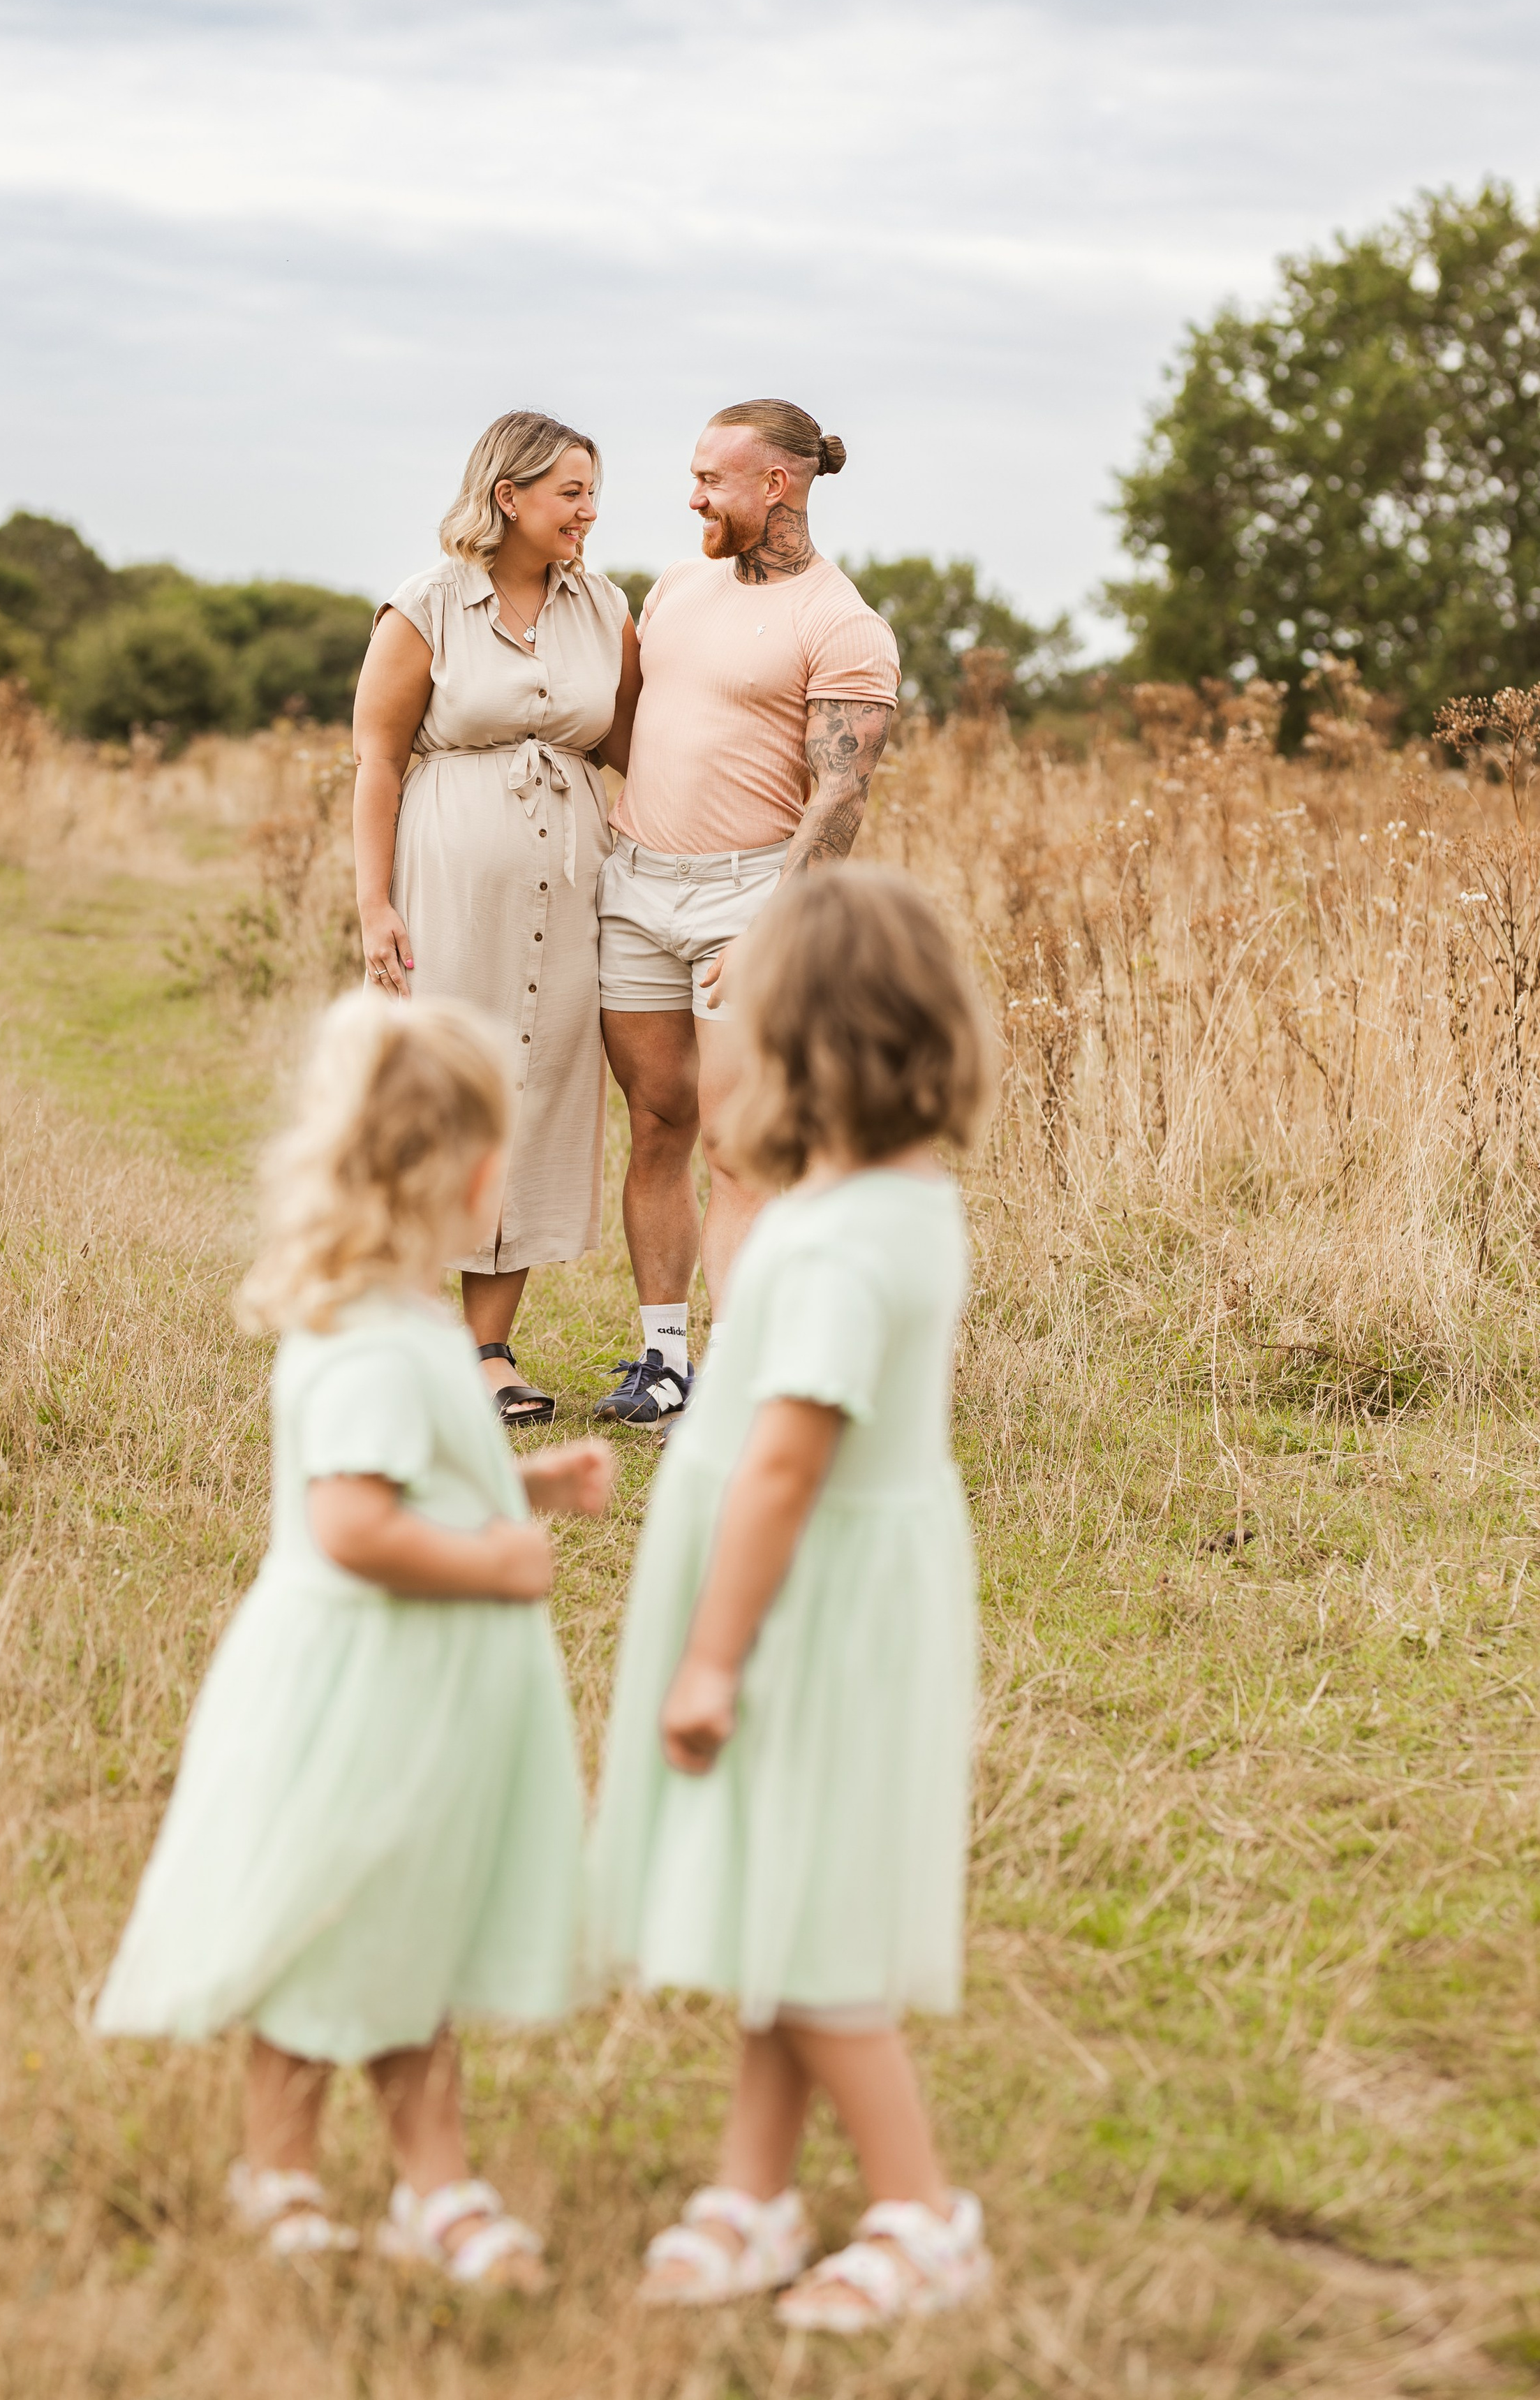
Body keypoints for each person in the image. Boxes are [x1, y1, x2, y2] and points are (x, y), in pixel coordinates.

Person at [94, 994, 614, 2287]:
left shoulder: (406, 1326)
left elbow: (417, 1479)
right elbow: (354, 1526)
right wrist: (496, 1558)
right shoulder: (374, 1342)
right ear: (455, 1172)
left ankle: (430, 2184)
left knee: (407, 1922)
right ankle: (282, 2168)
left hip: (413, 1692)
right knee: (330, 1917)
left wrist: (529, 1489)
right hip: (369, 1686)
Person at [586, 865, 994, 2332]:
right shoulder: (896, 1203)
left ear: (809, 1044)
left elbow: (779, 1467)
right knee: (788, 1892)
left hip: (802, 1610)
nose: (717, 1046)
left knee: (816, 1934)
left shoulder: (827, 1245)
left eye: (737, 1020)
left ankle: (919, 2212)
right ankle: (753, 2191)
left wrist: (709, 1657)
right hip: (849, 1592)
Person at [594, 399, 899, 1427]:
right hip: (634, 887)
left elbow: (842, 792)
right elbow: (627, 724)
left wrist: (778, 918)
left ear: (778, 484)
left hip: (750, 901)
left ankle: (737, 1376)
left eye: (711, 481)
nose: (692, 499)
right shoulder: (675, 587)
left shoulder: (842, 623)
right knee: (656, 1123)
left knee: (737, 1144)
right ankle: (662, 1359)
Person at [354, 413, 640, 1426]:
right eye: (571, 493)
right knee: (442, 1095)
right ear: (508, 497)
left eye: (593, 492)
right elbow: (378, 761)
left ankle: (487, 1354)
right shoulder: (425, 605)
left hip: (572, 897)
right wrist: (374, 902)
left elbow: (636, 747)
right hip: (448, 886)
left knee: (535, 1099)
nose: (590, 511)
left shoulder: (605, 607)